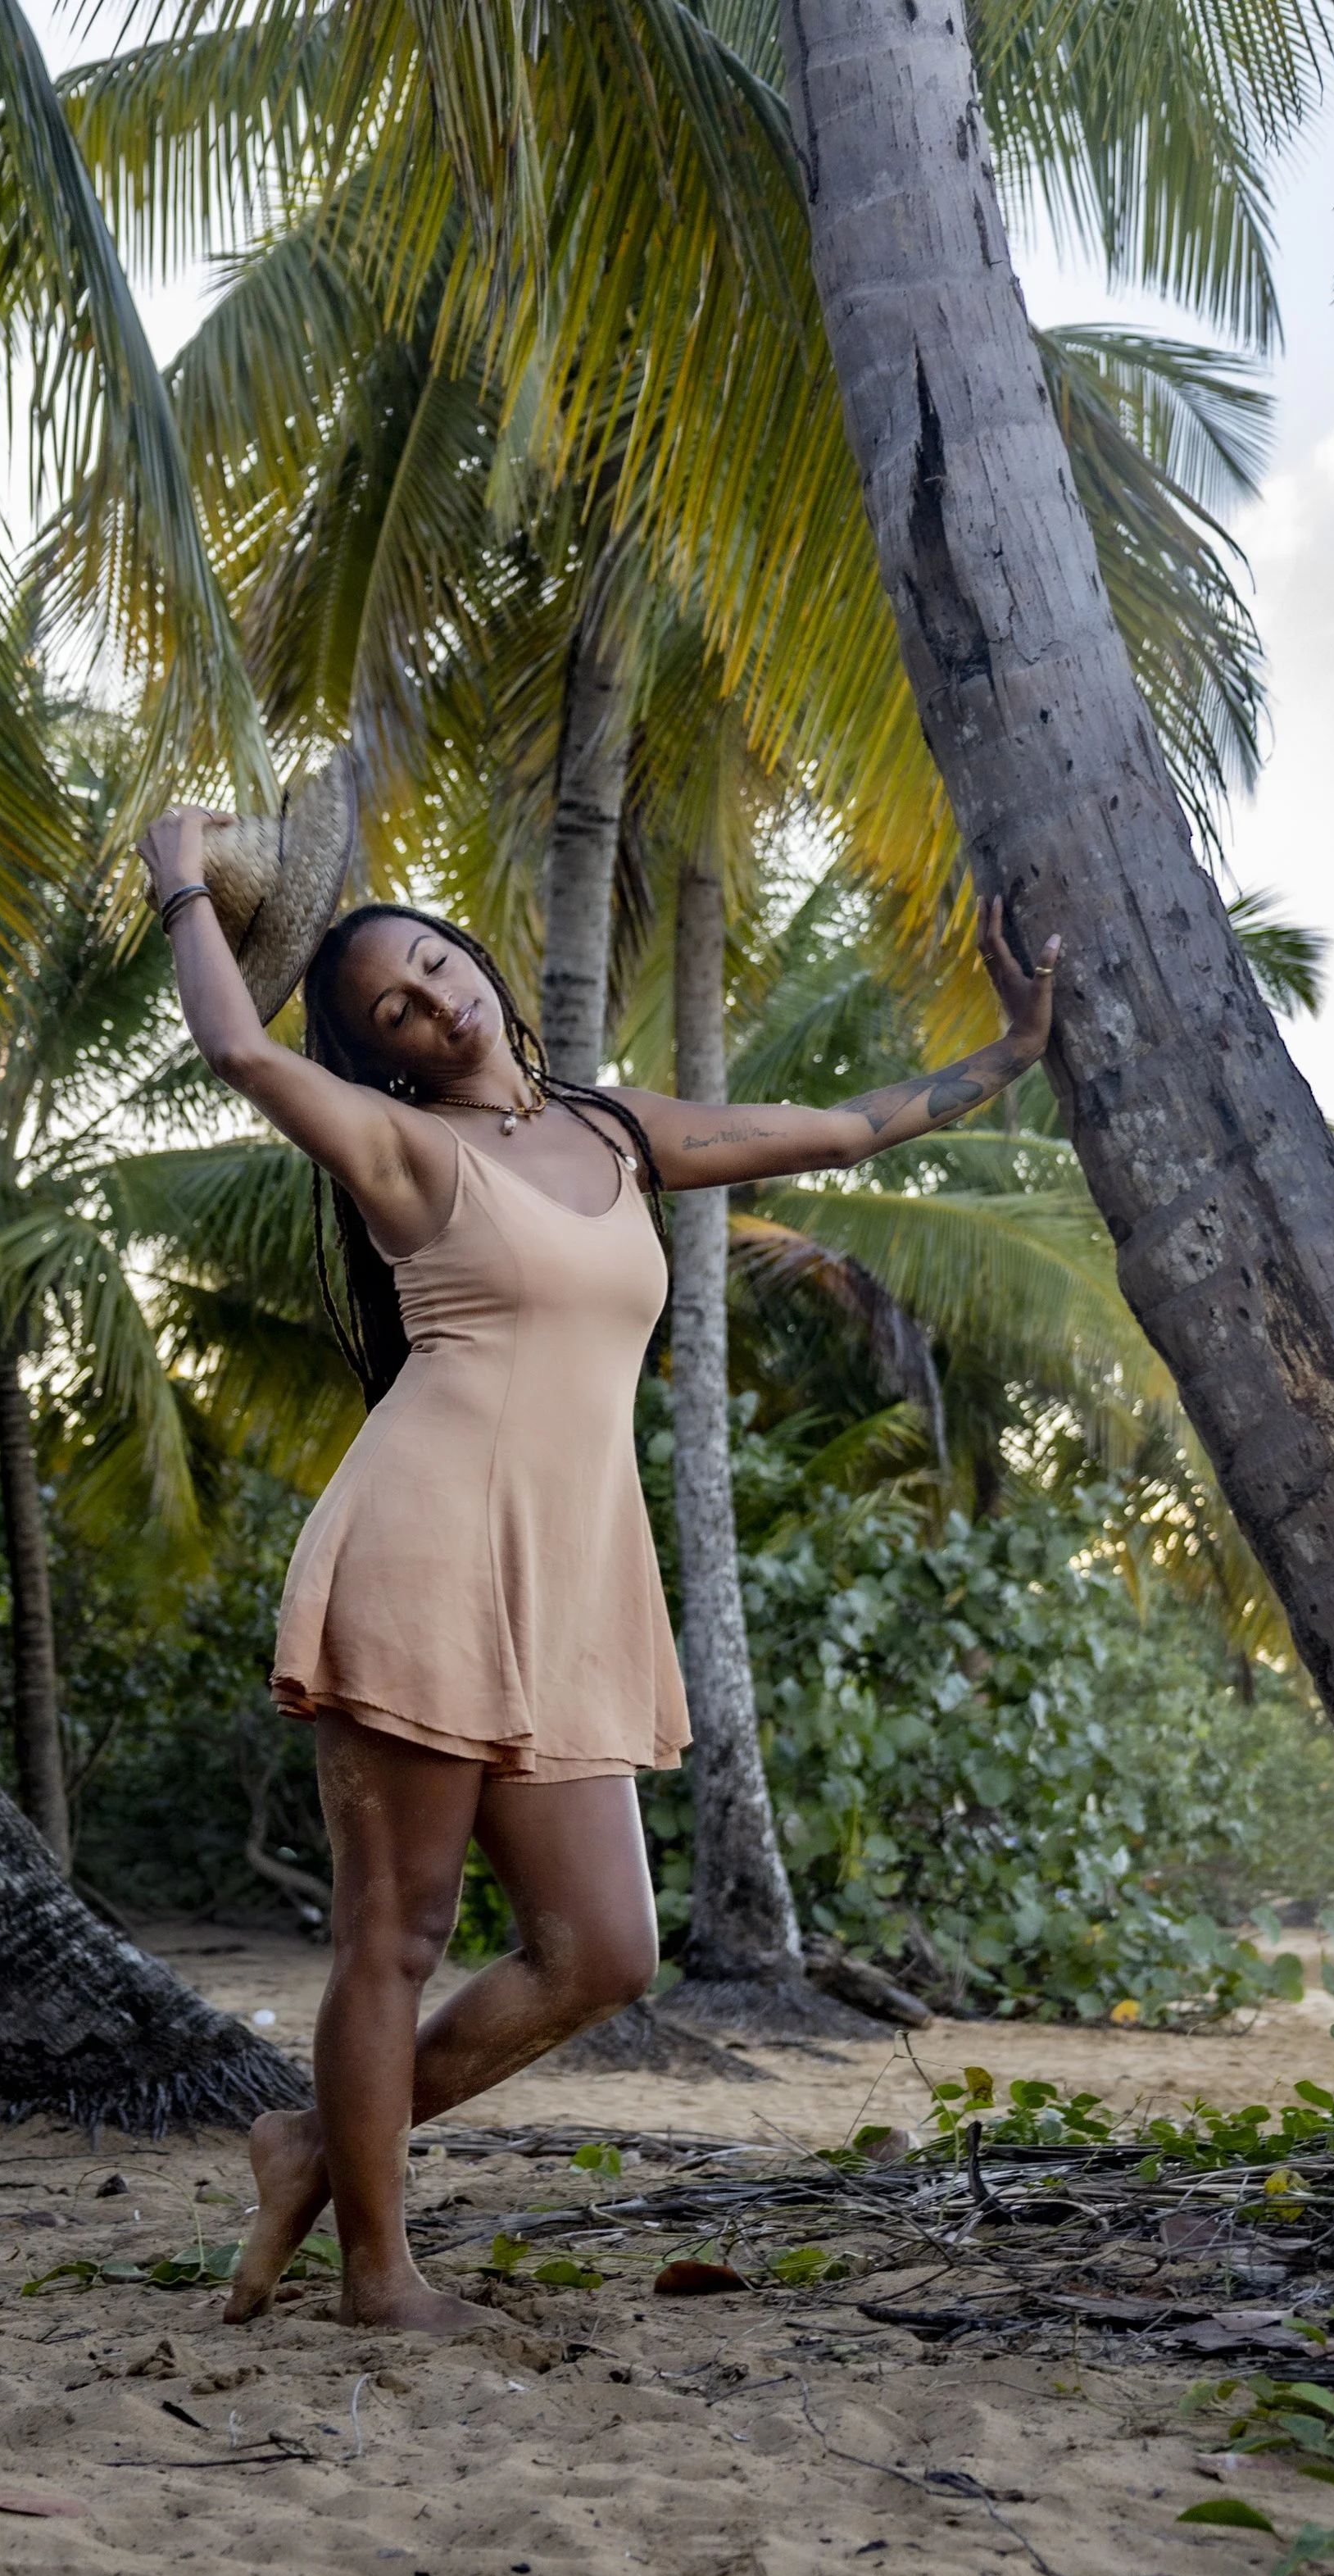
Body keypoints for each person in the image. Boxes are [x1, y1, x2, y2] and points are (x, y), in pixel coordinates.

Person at [141, 805, 1059, 2335]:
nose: (436, 1002)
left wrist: (1013, 1053)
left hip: (567, 1569)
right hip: (428, 1545)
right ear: (381, 1057)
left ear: (478, 961)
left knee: (604, 1952)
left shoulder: (619, 1133)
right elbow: (240, 1057)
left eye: (437, 965)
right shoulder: (405, 1151)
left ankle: (308, 2148)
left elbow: (842, 1132)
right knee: (398, 1932)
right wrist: (183, 886)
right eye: (394, 1009)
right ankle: (381, 2275)